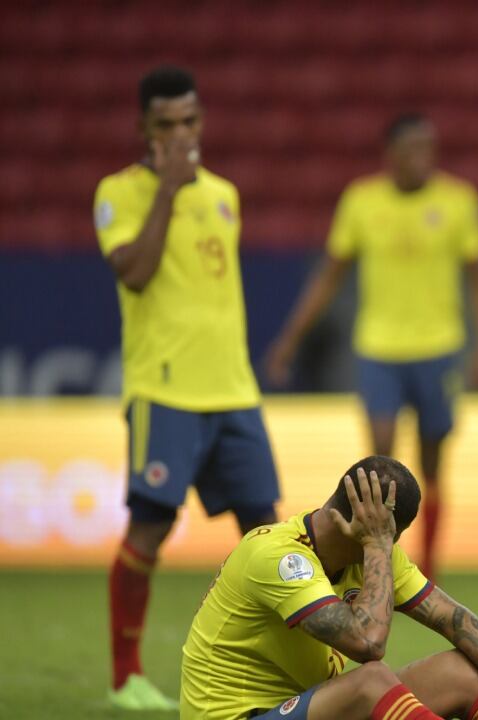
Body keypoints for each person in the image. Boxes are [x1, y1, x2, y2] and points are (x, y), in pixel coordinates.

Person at [94, 65, 280, 711]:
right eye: (166, 123)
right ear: (143, 127)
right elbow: (137, 275)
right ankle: (126, 679)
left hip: (233, 390)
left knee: (269, 531)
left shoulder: (226, 194)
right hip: (165, 390)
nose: (180, 134)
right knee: (149, 528)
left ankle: (289, 663)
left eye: (190, 122)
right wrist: (167, 192)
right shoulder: (118, 192)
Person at [266, 113, 478, 579]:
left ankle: (428, 567)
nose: (422, 159)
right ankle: (380, 560)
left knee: (433, 467)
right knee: (381, 469)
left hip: (439, 349)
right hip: (379, 350)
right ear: (390, 155)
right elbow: (330, 275)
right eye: (412, 149)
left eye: (428, 148)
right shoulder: (361, 201)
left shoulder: (458, 201)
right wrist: (290, 339)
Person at [180, 456, 478, 720]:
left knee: (462, 670)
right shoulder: (277, 556)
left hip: (308, 707)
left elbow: (453, 619)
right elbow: (367, 645)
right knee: (372, 680)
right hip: (245, 716)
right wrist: (377, 545)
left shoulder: (373, 554)